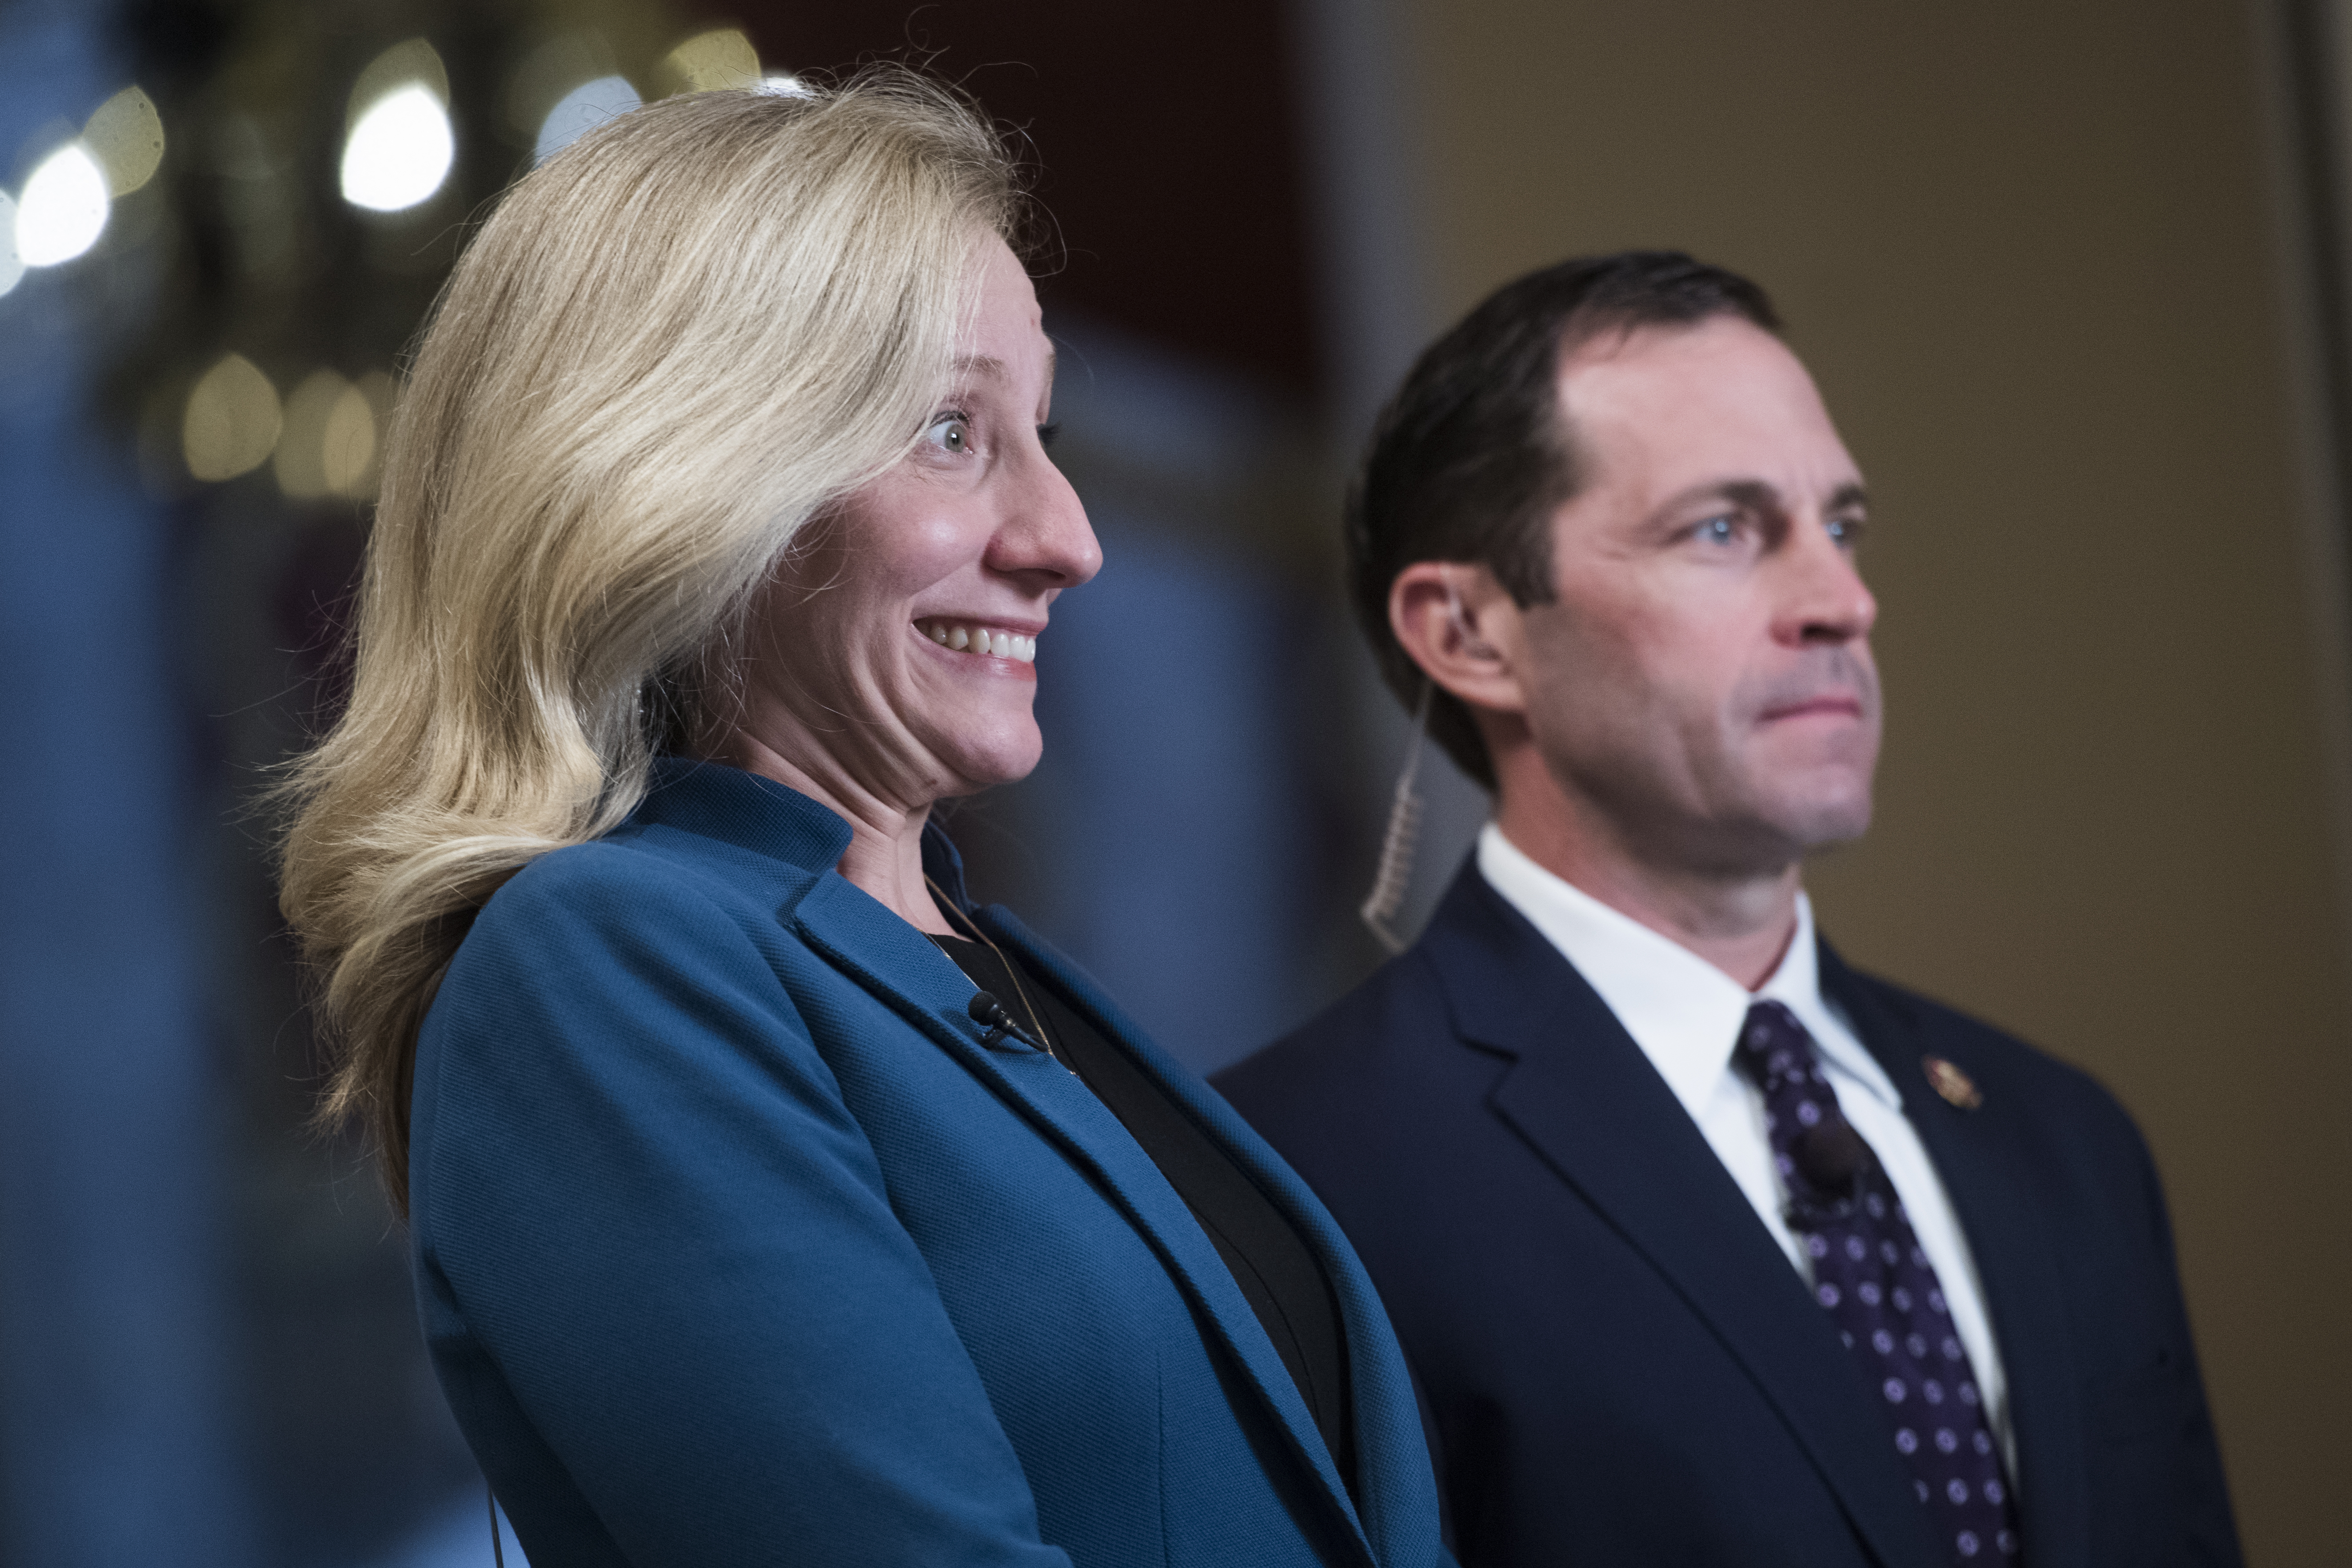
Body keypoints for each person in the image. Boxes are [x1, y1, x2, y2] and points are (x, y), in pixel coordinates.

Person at [278, 72, 1443, 1568]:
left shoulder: (970, 959)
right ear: (685, 476)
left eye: (1044, 429)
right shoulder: (604, 964)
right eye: (954, 430)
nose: (1069, 539)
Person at [1212, 252, 2241, 1568]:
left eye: (1842, 525)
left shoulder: (2068, 1139)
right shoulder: (1289, 1186)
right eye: (1724, 528)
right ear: (1471, 632)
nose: (1842, 601)